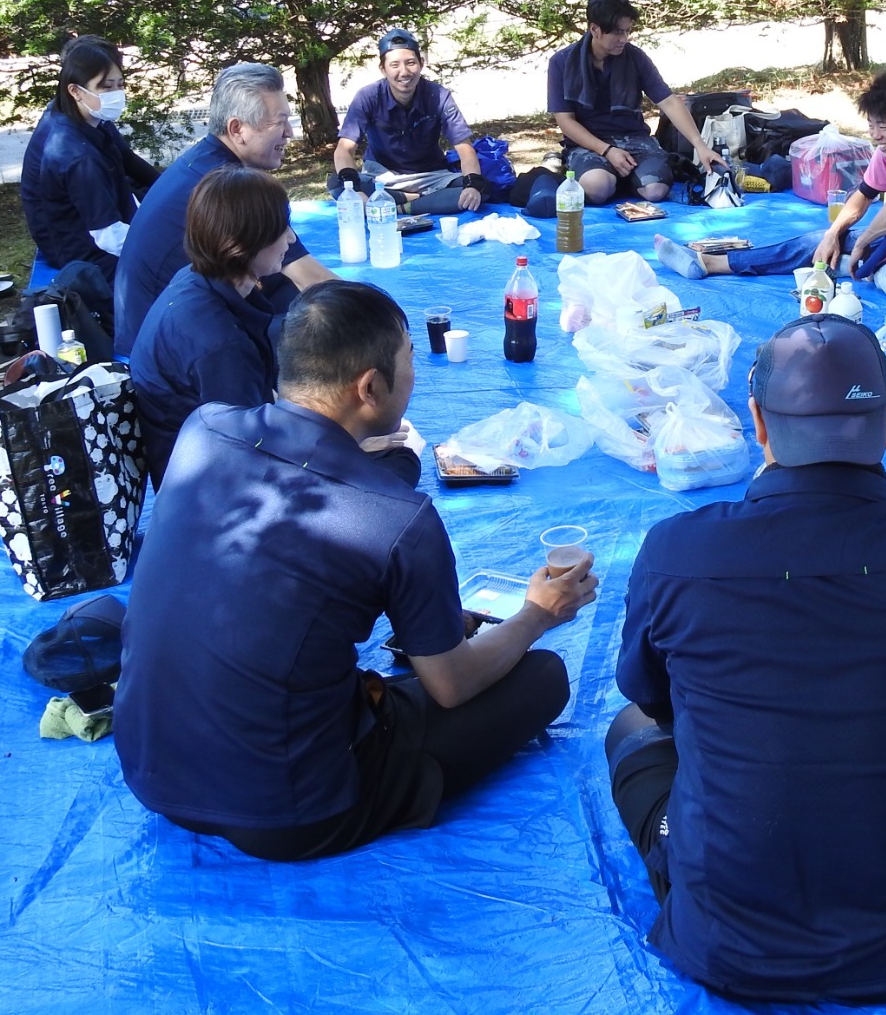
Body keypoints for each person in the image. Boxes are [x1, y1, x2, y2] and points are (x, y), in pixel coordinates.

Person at [608, 315, 886, 1004]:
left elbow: (649, 696)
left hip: (722, 939)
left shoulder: (676, 551)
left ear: (757, 423)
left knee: (633, 727)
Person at [115, 281, 594, 861]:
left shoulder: (204, 427)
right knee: (542, 676)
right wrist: (536, 615)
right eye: (410, 359)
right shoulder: (396, 516)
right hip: (294, 814)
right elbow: (453, 686)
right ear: (370, 386)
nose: (415, 375)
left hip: (151, 771)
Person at [654, 69, 886, 282]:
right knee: (826, 239)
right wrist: (833, 233)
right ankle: (711, 263)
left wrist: (863, 240)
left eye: (883, 127)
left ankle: (855, 262)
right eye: (871, 126)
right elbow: (863, 195)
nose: (876, 136)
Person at [112, 62, 336, 352]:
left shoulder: (205, 161)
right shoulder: (229, 189)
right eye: (279, 122)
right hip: (171, 346)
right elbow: (313, 280)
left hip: (150, 328)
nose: (289, 133)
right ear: (237, 129)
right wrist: (383, 316)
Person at [128, 169, 294, 484]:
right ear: (244, 242)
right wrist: (341, 447)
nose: (291, 238)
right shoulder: (222, 345)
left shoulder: (194, 277)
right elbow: (251, 455)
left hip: (189, 457)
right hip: (204, 488)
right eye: (281, 228)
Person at [536, 0, 719, 209]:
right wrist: (607, 151)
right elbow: (565, 121)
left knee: (656, 191)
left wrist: (700, 145)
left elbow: (669, 102)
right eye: (618, 33)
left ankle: (629, 178)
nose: (624, 39)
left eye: (628, 31)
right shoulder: (562, 62)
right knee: (596, 187)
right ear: (595, 30)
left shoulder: (635, 57)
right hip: (590, 144)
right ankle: (611, 177)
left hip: (635, 140)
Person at [18, 36, 161, 289]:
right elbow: (109, 237)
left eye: (120, 85)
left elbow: (126, 159)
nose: (116, 94)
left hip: (98, 218)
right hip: (84, 253)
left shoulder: (87, 116)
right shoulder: (76, 154)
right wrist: (165, 247)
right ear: (75, 90)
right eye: (106, 86)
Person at [329, 28, 488, 215]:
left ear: (421, 64)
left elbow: (465, 149)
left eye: (410, 63)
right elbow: (344, 149)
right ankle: (420, 200)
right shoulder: (367, 96)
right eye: (394, 65)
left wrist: (472, 185)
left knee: (482, 188)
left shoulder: (439, 95)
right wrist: (356, 191)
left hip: (431, 176)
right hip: (382, 177)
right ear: (383, 69)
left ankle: (400, 207)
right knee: (337, 183)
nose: (404, 72)